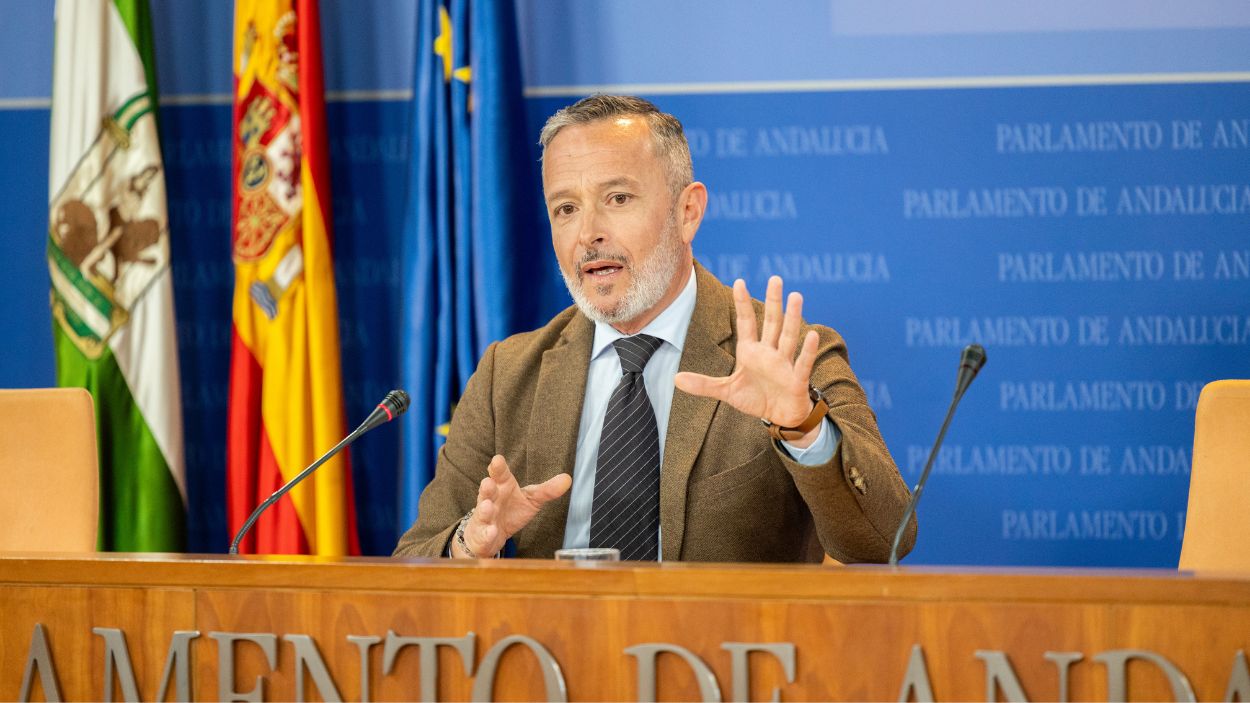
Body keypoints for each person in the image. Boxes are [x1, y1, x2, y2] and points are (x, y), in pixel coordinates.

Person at [393, 95, 914, 563]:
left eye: (618, 199)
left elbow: (883, 539)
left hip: (722, 662)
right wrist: (470, 541)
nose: (589, 234)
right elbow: (414, 560)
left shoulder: (786, 355)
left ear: (687, 212)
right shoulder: (507, 374)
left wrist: (803, 426)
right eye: (566, 208)